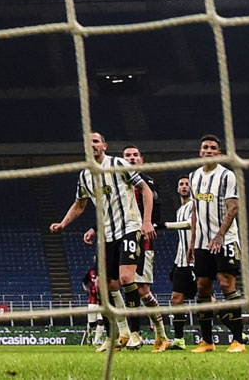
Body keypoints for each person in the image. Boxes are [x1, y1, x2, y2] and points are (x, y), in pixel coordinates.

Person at [49, 132, 154, 352]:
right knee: (105, 286)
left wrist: (146, 222)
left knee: (126, 278)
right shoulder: (85, 175)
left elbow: (145, 190)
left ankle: (135, 333)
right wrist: (62, 224)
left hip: (129, 228)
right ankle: (115, 334)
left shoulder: (119, 164)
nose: (92, 145)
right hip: (106, 235)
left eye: (96, 141)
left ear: (104, 145)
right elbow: (79, 205)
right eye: (88, 143)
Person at [85, 146, 169, 351]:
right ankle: (123, 332)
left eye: (135, 155)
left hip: (141, 238)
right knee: (111, 285)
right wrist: (95, 229)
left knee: (142, 290)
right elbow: (111, 210)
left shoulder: (147, 183)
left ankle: (160, 333)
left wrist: (147, 223)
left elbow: (151, 214)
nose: (131, 158)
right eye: (127, 156)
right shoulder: (116, 180)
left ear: (142, 160)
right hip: (115, 237)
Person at [187, 134, 247, 353]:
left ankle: (238, 340)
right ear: (200, 151)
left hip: (226, 240)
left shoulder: (227, 176)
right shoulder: (193, 176)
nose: (209, 150)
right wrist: (192, 242)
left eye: (213, 147)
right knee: (203, 287)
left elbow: (233, 207)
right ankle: (207, 340)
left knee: (225, 283)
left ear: (219, 153)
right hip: (202, 243)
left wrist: (220, 235)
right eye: (205, 147)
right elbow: (195, 211)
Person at [162, 176, 197, 350]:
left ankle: (237, 330)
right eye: (181, 184)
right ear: (177, 189)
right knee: (176, 299)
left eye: (187, 184)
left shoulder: (194, 206)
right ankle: (179, 340)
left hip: (193, 262)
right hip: (181, 261)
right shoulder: (180, 210)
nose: (184, 187)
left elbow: (191, 226)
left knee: (208, 299)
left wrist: (165, 225)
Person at [82, 263, 105, 347]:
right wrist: (86, 289)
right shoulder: (91, 271)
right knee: (92, 323)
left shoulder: (106, 271)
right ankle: (89, 335)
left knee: (101, 321)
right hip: (92, 301)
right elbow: (84, 281)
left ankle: (96, 341)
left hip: (103, 301)